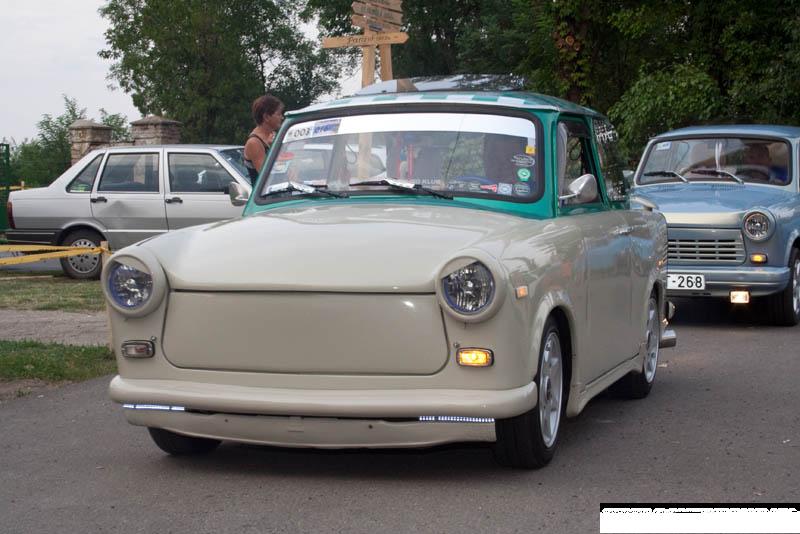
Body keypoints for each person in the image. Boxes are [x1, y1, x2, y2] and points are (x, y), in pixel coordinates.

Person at [244, 94, 284, 185]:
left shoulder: (272, 136)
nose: (282, 117)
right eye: (278, 114)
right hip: (266, 193)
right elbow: (268, 178)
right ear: (266, 117)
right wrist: (274, 148)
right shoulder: (254, 142)